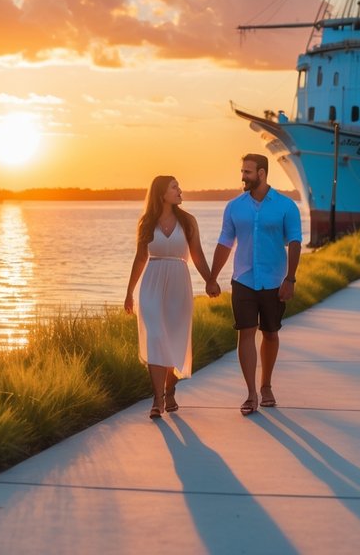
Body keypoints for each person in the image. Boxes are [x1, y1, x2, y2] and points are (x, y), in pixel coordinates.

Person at [210, 153, 302, 416]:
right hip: (243, 280)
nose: (243, 176)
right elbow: (225, 242)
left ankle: (266, 385)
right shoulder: (234, 207)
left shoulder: (286, 206)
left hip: (274, 280)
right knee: (246, 333)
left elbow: (294, 242)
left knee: (271, 333)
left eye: (248, 172)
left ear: (262, 173)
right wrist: (212, 277)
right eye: (242, 171)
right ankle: (251, 392)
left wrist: (290, 278)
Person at [124, 176, 219, 419]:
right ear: (161, 193)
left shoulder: (187, 221)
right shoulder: (146, 222)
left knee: (174, 339)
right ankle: (157, 400)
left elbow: (196, 254)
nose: (180, 190)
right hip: (152, 283)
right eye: (174, 187)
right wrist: (129, 293)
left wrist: (210, 279)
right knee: (155, 337)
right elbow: (139, 258)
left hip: (179, 282)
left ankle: (170, 389)